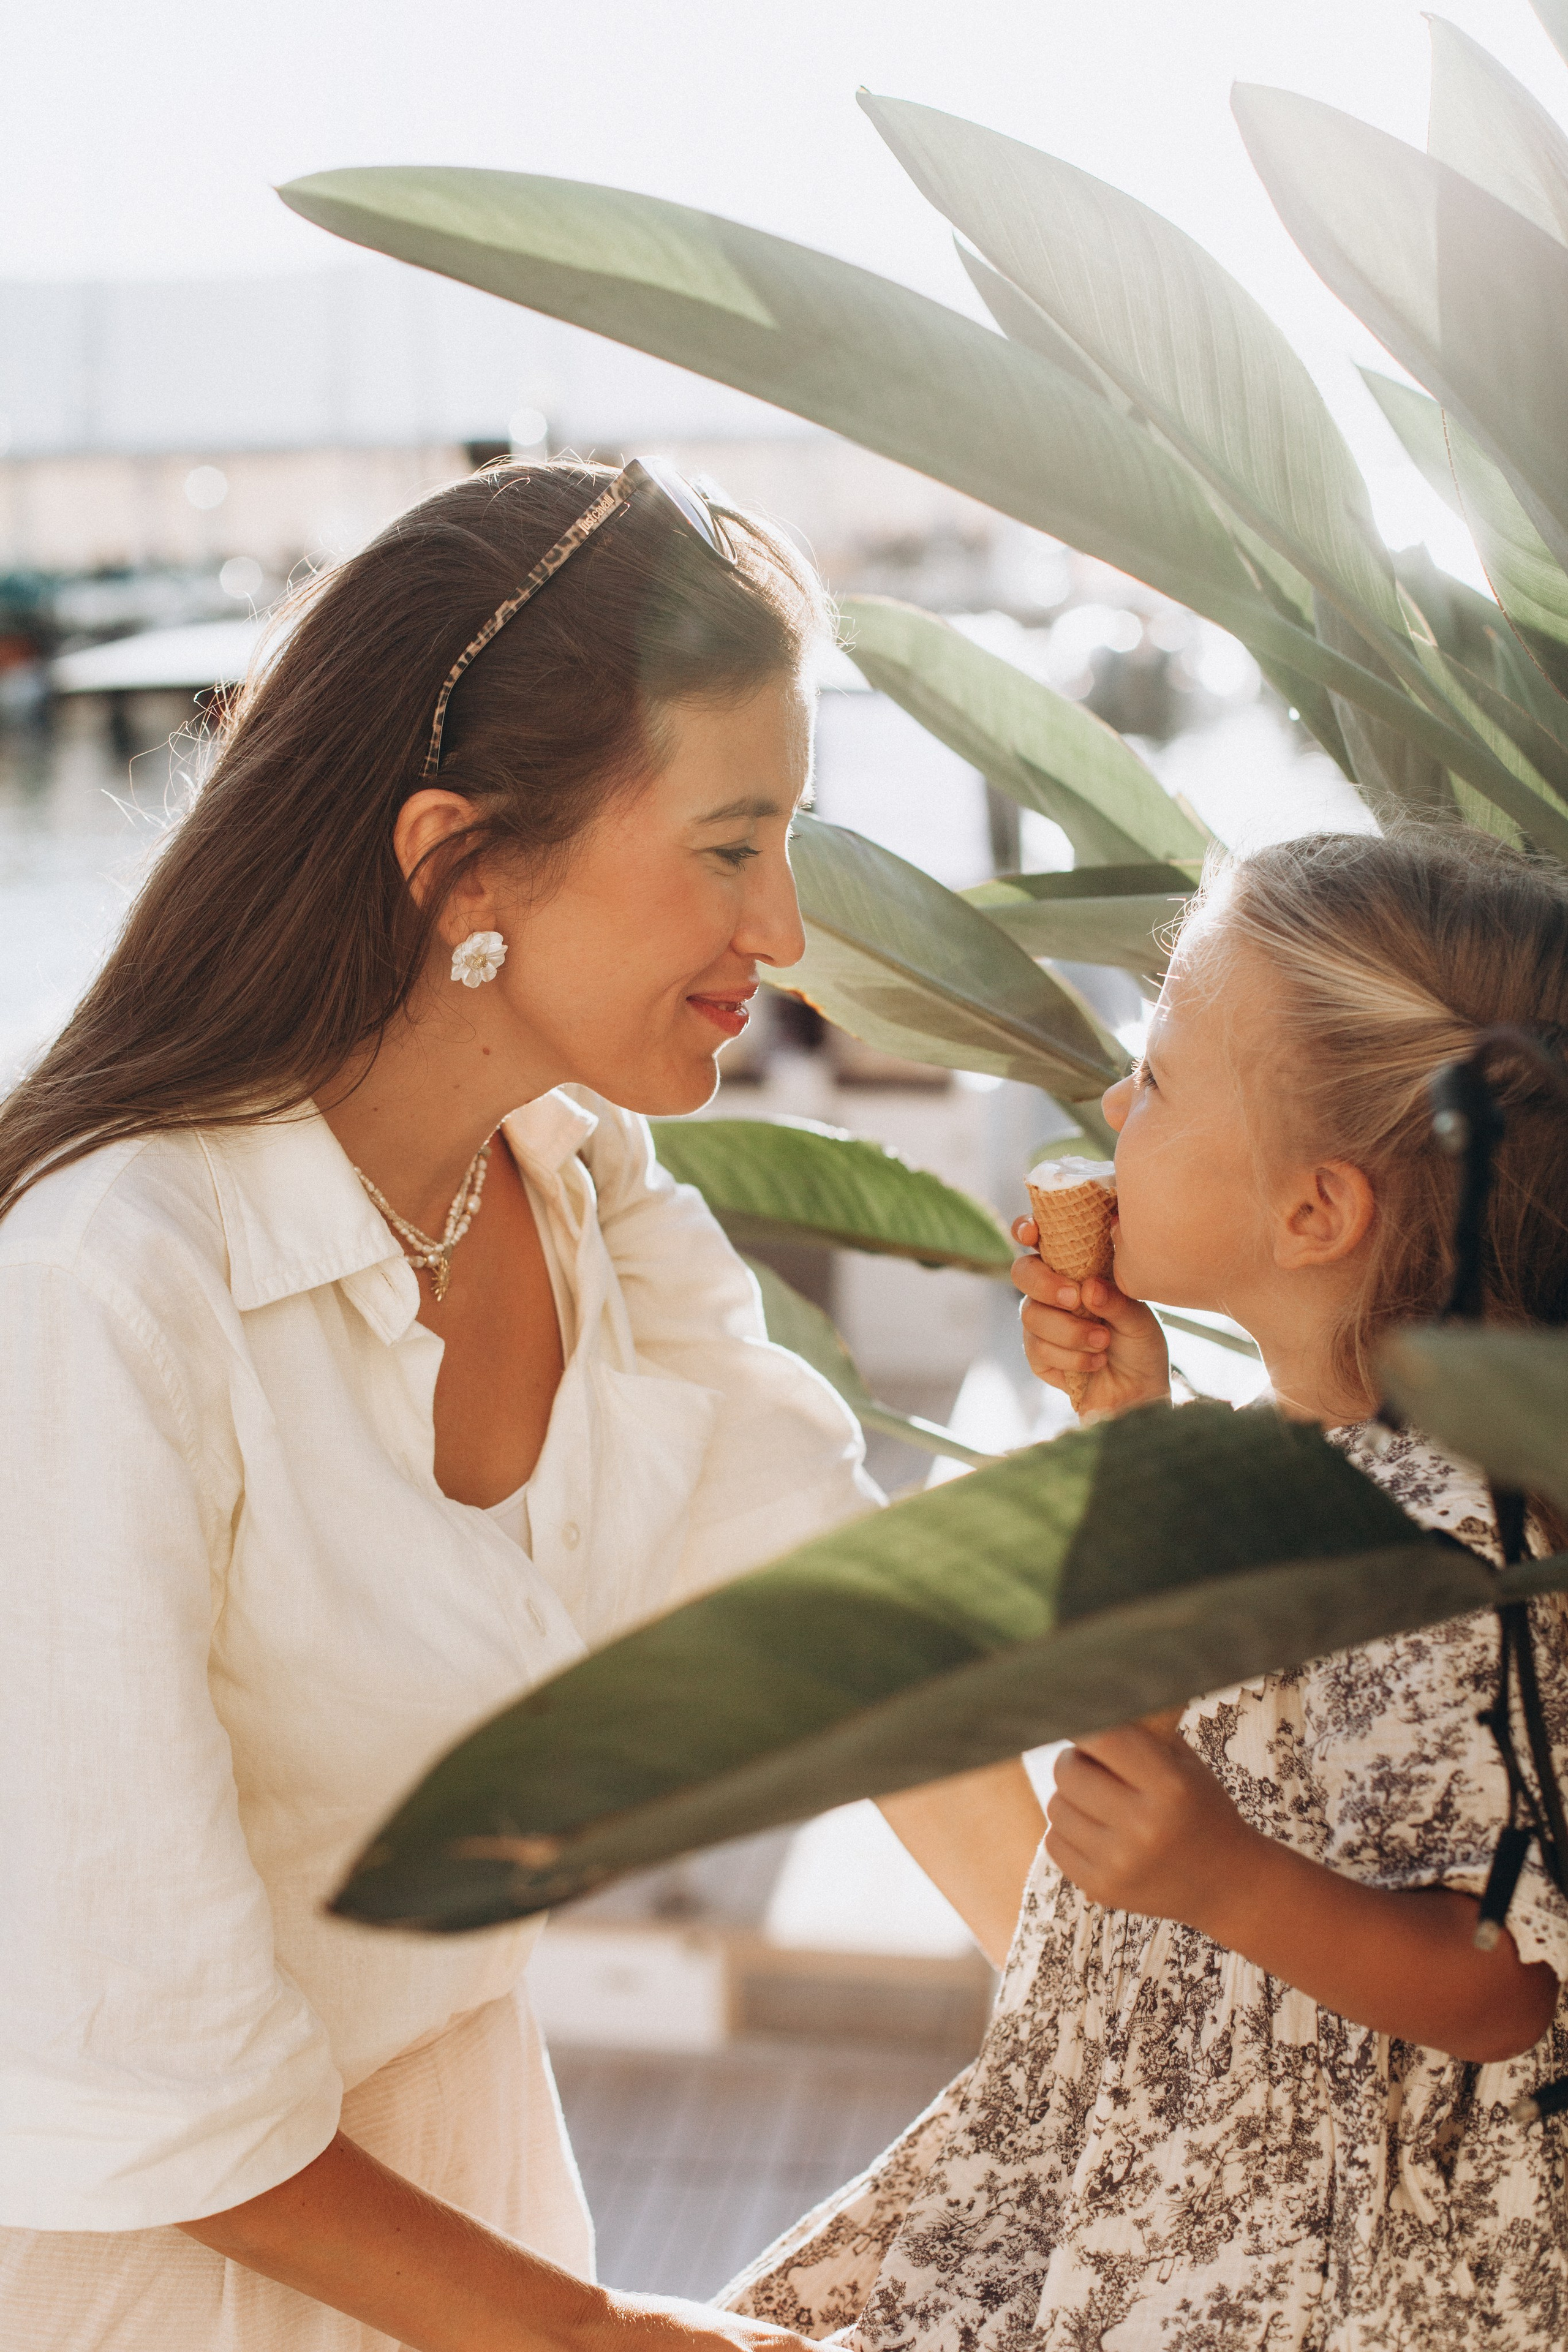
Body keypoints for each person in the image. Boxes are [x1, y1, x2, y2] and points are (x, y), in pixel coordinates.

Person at [0, 457, 1046, 2352]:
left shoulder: (567, 1177)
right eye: (731, 848)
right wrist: (600, 2339)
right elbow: (139, 2067)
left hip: (478, 2209)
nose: (788, 934)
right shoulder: (102, 1287)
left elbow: (846, 1631)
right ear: (457, 863)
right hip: (178, 2288)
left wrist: (1120, 2010)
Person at [722, 824, 1568, 2348]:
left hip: (1298, 2251)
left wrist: (1226, 1880)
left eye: (1160, 1077)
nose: (1114, 1104)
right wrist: (1129, 1418)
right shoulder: (1315, 1467)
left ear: (1314, 1212)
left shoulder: (1445, 1558)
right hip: (1152, 2152)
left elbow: (1505, 1977)